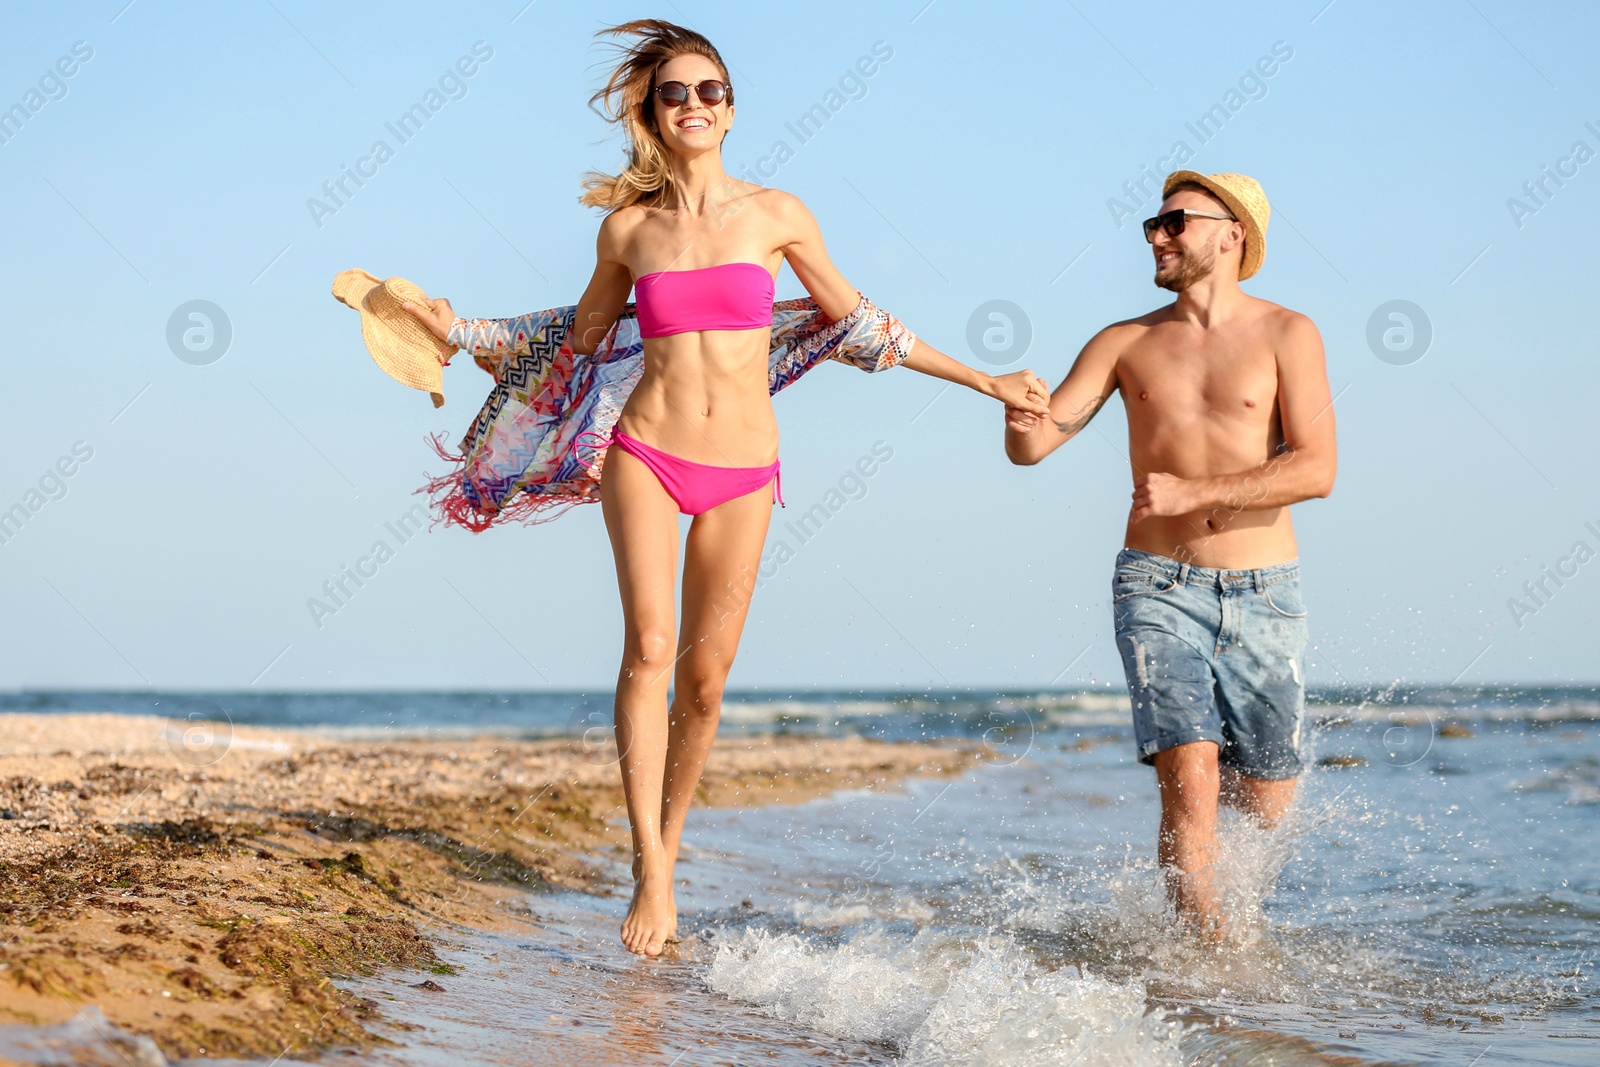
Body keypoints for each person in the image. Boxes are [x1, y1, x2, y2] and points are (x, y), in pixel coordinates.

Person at [404, 20, 1048, 957]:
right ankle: (651, 870)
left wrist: (985, 380)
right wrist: (460, 329)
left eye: (710, 91)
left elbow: (860, 321)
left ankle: (671, 835)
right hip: (646, 453)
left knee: (704, 686)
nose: (694, 105)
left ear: (733, 110)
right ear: (654, 115)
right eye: (676, 93)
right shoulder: (627, 230)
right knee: (653, 647)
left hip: (746, 467)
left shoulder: (777, 215)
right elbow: (576, 339)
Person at [1002, 171, 1336, 939]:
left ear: (1231, 233)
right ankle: (1204, 965)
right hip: (1157, 587)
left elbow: (1317, 468)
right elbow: (1038, 443)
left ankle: (1224, 921)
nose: (1156, 235)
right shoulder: (1125, 343)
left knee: (1269, 804)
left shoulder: (1290, 333)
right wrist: (1023, 418)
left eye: (1173, 222)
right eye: (1152, 224)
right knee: (1190, 780)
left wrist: (1195, 491)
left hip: (1267, 593)